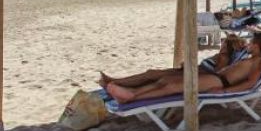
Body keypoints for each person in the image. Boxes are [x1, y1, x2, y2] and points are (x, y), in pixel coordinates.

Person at [104, 32, 261, 104]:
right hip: (216, 77)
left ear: (256, 45)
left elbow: (251, 83)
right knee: (165, 82)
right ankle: (132, 93)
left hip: (220, 81)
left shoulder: (259, 62)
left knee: (172, 87)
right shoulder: (249, 58)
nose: (248, 45)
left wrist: (225, 91)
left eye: (250, 43)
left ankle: (133, 97)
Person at [98, 33, 246, 91]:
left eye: (224, 44)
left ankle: (117, 83)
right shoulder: (219, 55)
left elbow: (215, 74)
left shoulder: (224, 58)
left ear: (229, 47)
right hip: (189, 72)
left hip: (192, 76)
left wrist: (191, 68)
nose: (221, 45)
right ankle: (116, 82)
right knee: (151, 74)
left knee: (154, 76)